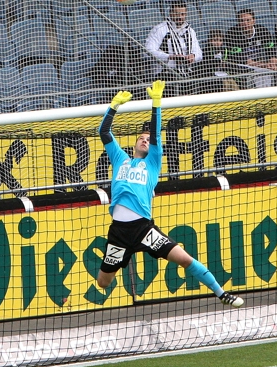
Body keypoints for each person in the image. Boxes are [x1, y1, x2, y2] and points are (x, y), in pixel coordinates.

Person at [96, 81, 243, 308]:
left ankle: (222, 293)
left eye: (148, 139)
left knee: (184, 258)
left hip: (143, 229)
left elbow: (155, 134)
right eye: (141, 138)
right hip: (119, 233)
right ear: (134, 143)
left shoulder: (153, 163)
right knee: (103, 283)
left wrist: (156, 104)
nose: (145, 140)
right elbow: (104, 132)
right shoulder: (120, 159)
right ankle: (121, 259)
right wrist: (114, 106)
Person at [144, 1, 202, 95]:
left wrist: (192, 56)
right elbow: (148, 51)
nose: (180, 17)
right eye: (176, 13)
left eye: (182, 14)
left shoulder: (190, 31)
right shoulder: (160, 29)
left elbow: (199, 54)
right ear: (170, 13)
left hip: (186, 72)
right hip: (164, 74)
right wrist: (170, 57)